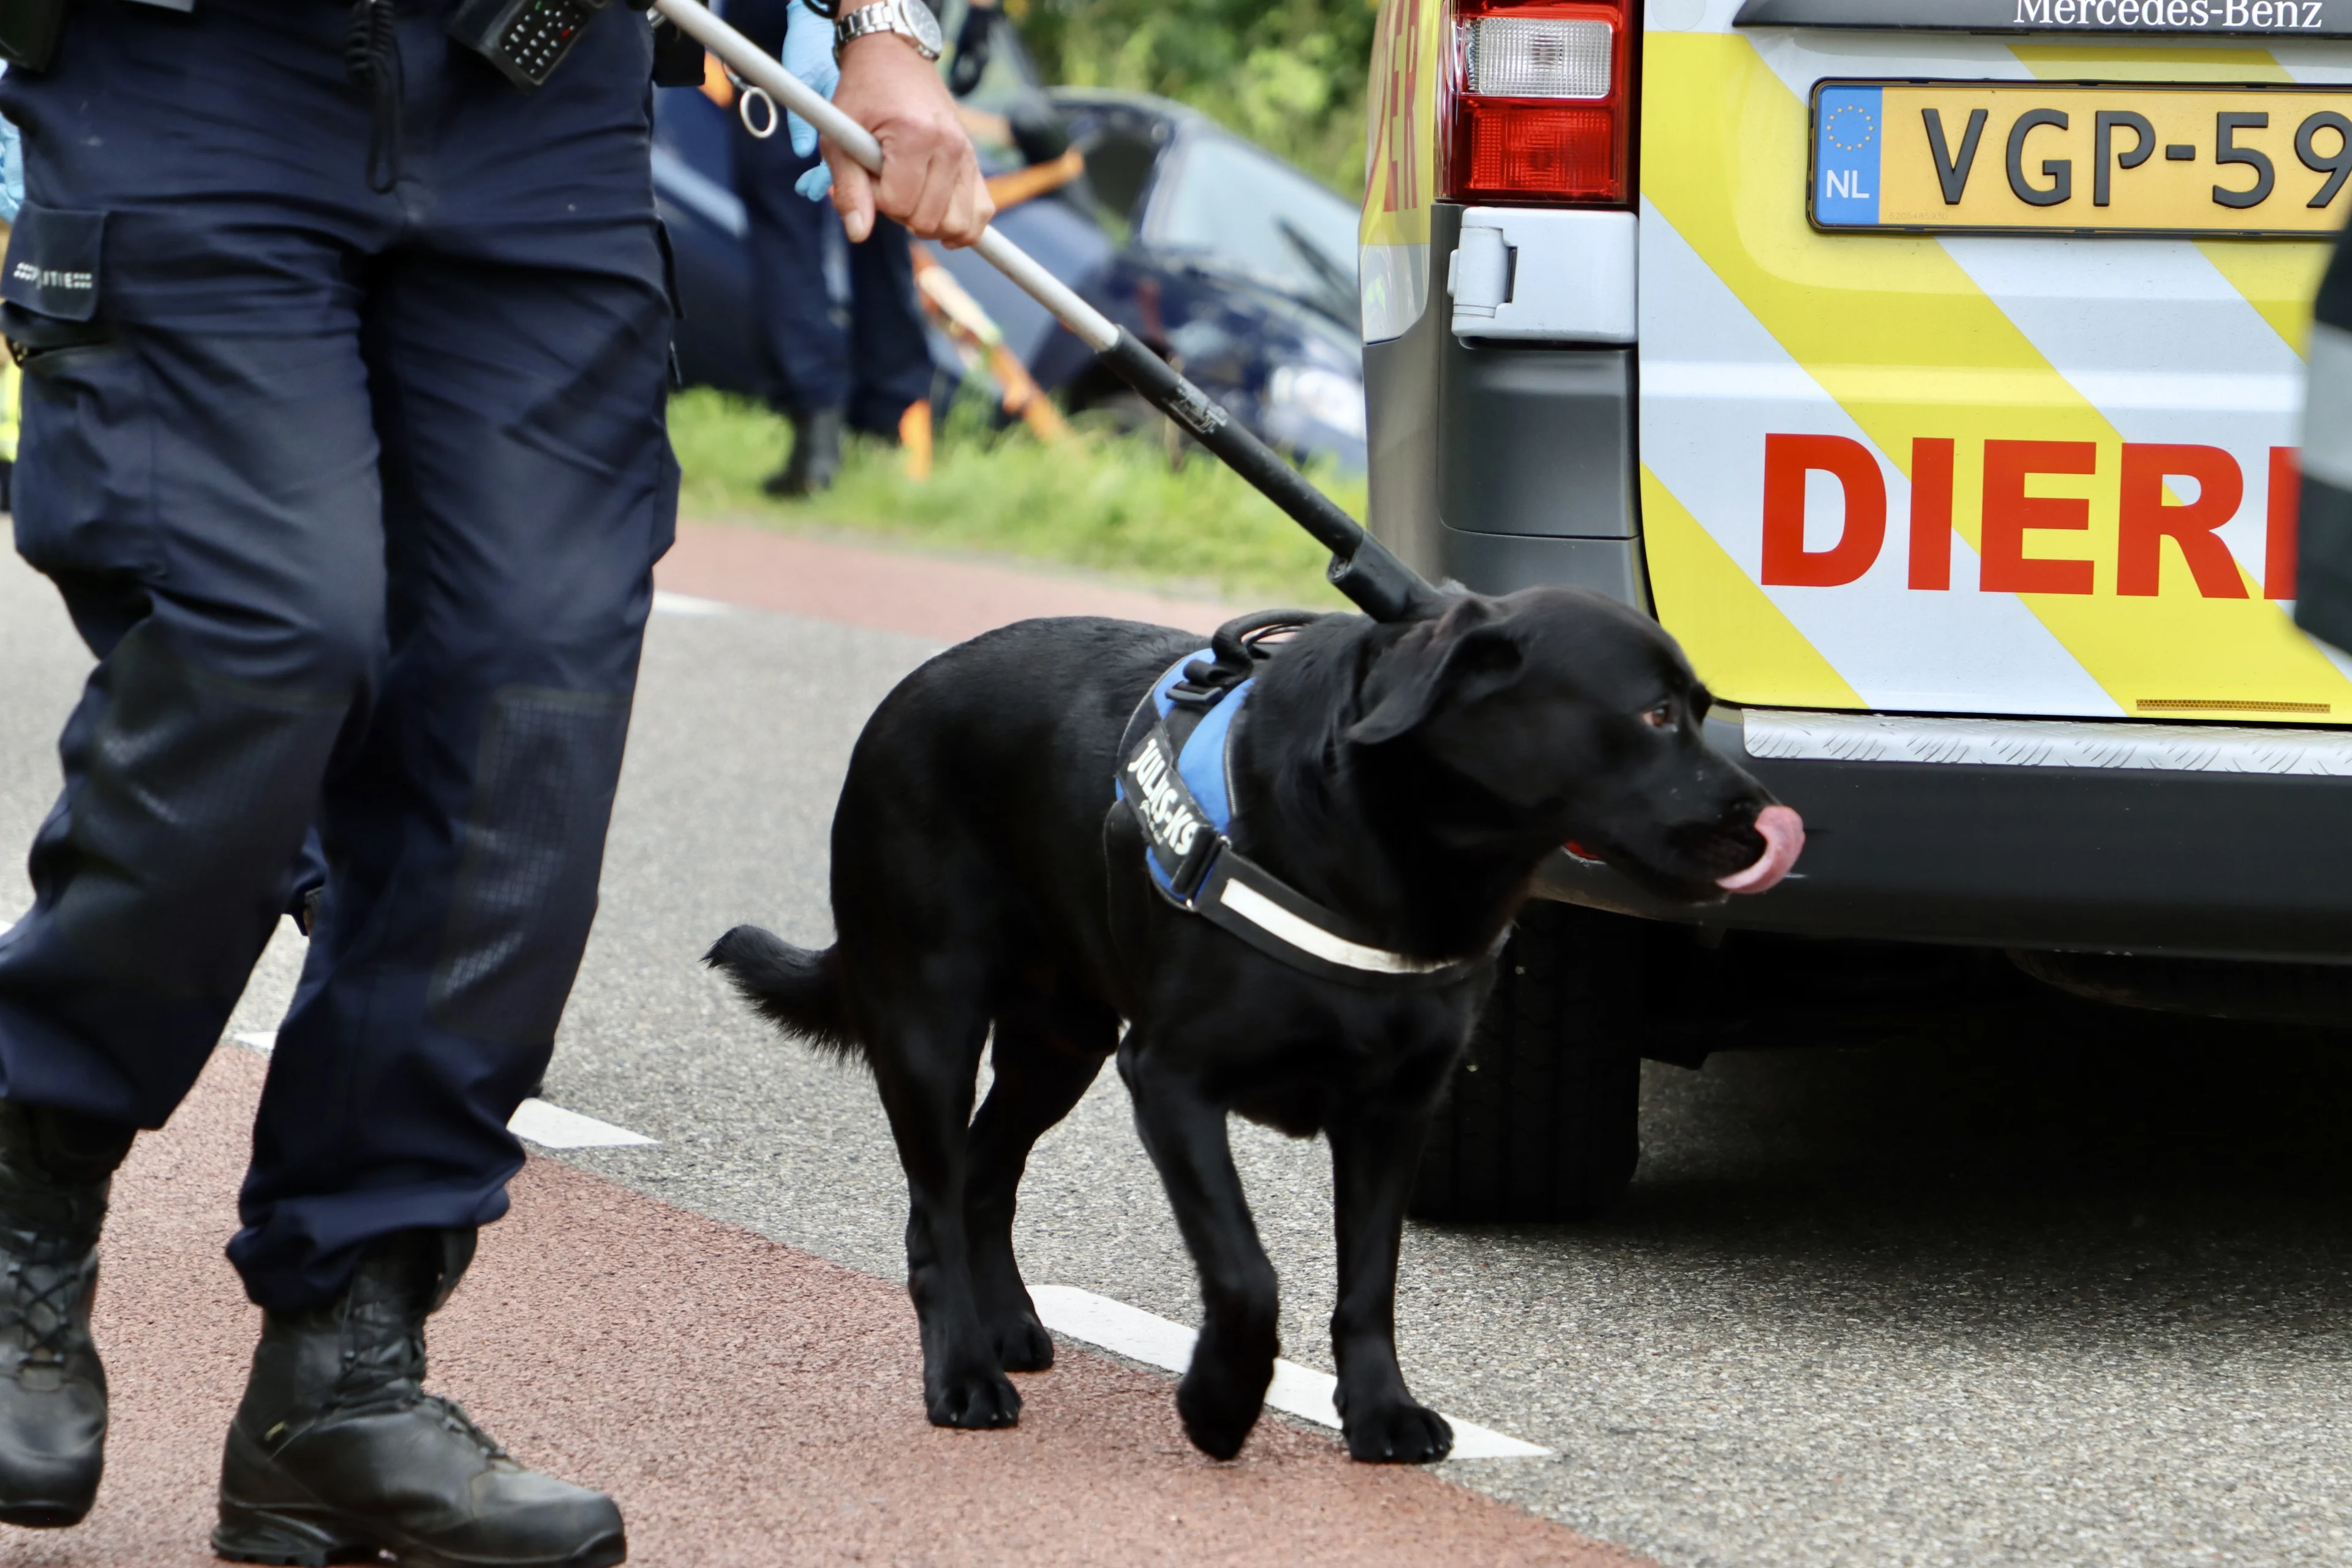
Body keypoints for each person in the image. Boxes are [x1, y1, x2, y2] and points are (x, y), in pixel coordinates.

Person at [0, 1, 987, 1562]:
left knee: (524, 714)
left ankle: (345, 1366)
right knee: (269, 638)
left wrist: (884, 29)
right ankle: (25, 1194)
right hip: (194, 75)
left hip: (544, 96)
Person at [731, 0, 940, 496]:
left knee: (789, 224)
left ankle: (817, 430)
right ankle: (884, 419)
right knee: (883, 202)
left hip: (786, 18)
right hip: (888, 16)